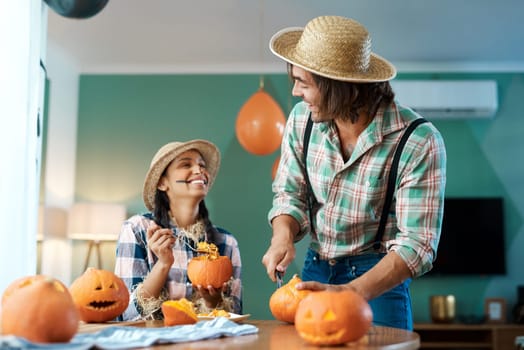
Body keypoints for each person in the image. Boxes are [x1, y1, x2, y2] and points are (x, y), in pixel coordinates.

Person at [262, 15, 446, 330]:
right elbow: (290, 193)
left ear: (340, 88)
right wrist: (283, 236)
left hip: (377, 281)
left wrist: (351, 292)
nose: (295, 92)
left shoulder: (418, 141)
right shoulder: (301, 120)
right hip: (315, 269)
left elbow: (418, 244)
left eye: (303, 83)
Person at [115, 139, 242, 321]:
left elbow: (236, 316)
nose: (199, 171)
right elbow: (126, 314)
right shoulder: (136, 229)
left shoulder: (226, 242)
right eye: (186, 164)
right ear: (162, 183)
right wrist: (163, 263)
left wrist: (214, 302)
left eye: (201, 165)